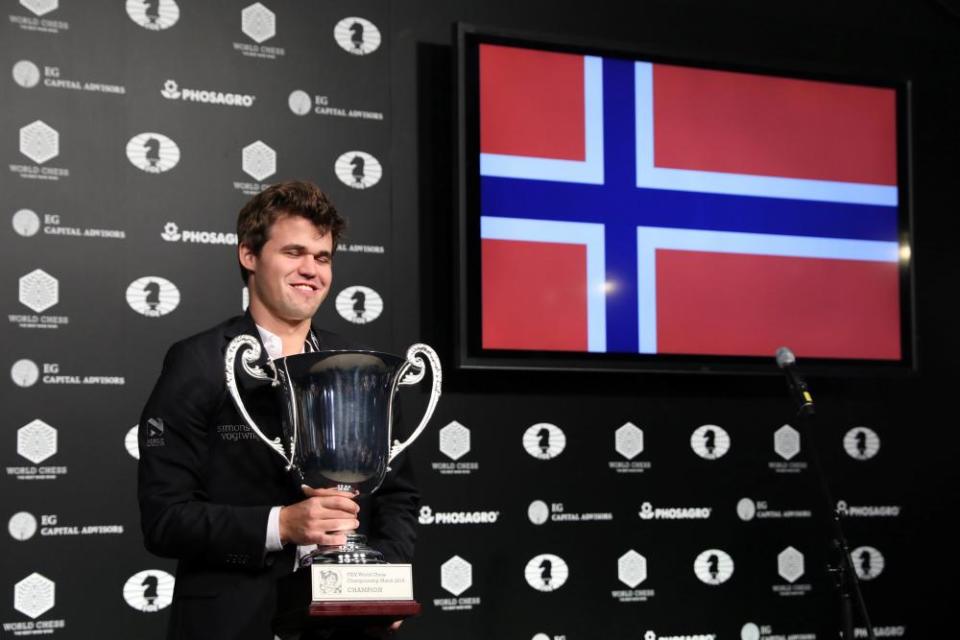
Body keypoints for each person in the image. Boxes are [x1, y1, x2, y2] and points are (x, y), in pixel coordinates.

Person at [138, 181, 418, 639]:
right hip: (235, 622)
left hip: (350, 625)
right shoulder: (199, 362)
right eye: (293, 252)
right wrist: (281, 525)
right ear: (249, 255)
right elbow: (165, 519)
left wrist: (381, 580)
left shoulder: (360, 366)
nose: (311, 269)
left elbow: (398, 497)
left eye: (322, 257)